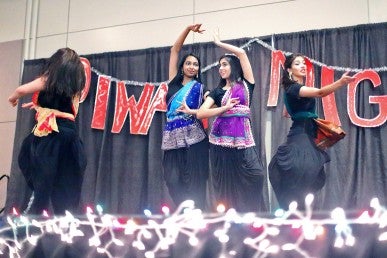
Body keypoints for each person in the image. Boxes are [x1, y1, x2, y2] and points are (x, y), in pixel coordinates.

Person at [268, 53, 355, 210]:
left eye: (303, 63)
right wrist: (341, 82)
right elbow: (320, 93)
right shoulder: (294, 88)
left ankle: (298, 211)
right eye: (297, 64)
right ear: (289, 70)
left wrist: (295, 110)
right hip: (301, 134)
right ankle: (295, 211)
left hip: (306, 133)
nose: (302, 66)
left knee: (307, 176)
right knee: (304, 174)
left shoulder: (293, 89)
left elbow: (285, 113)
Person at [8, 47, 87, 215]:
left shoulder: (49, 78)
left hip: (52, 134)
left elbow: (21, 90)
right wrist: (38, 106)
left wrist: (13, 97)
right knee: (65, 181)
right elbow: (66, 109)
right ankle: (64, 222)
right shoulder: (76, 84)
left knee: (40, 177)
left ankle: (37, 215)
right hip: (70, 135)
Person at [196, 31, 265, 212]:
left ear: (233, 66)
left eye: (224, 64)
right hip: (221, 143)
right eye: (219, 65)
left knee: (256, 175)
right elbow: (201, 113)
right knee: (227, 186)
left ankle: (249, 215)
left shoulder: (246, 84)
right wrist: (224, 109)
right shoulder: (218, 92)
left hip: (243, 140)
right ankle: (228, 222)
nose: (221, 68)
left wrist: (220, 43)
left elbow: (242, 54)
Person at [161, 24, 210, 210]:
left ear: (198, 69)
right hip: (172, 137)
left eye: (195, 64)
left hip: (195, 138)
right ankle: (185, 211)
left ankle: (196, 217)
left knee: (195, 181)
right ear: (182, 67)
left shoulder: (201, 88)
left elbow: (209, 103)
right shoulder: (173, 81)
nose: (192, 66)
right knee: (172, 179)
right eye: (188, 63)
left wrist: (200, 108)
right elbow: (175, 49)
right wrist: (188, 29)